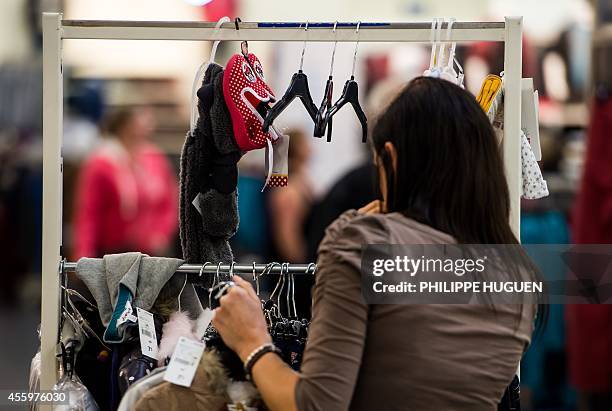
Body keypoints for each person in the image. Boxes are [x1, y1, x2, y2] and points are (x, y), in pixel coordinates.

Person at [212, 77, 539, 410]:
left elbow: (315, 405)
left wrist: (251, 341)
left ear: (391, 158)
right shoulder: (516, 272)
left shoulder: (363, 243)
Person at [73, 107, 178, 258]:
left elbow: (168, 203)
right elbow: (88, 212)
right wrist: (83, 254)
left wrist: (161, 233)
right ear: (123, 129)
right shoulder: (101, 163)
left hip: (150, 252)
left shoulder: (154, 158)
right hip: (112, 253)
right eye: (136, 128)